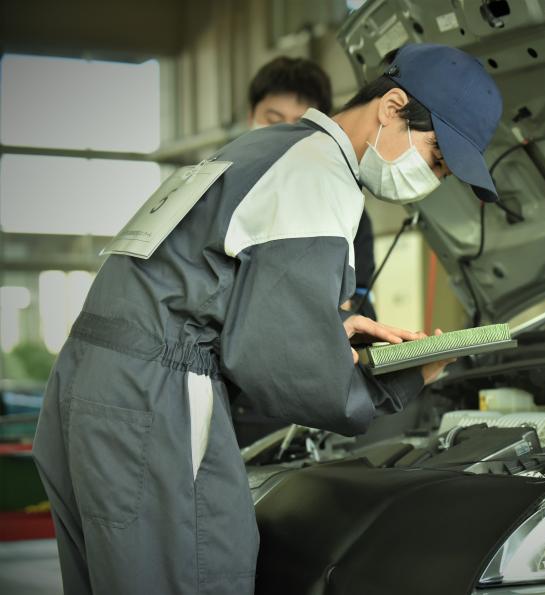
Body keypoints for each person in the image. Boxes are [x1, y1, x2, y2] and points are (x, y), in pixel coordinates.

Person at [32, 42, 502, 595]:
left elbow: (211, 286)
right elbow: (286, 365)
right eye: (437, 158)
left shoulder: (265, 147)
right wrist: (402, 379)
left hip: (91, 383)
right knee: (203, 568)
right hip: (153, 396)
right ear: (392, 106)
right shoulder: (320, 175)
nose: (434, 178)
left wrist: (327, 329)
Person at [247, 55, 379, 319]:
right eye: (273, 120)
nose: (284, 133)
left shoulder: (347, 211)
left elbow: (358, 302)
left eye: (299, 123)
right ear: (251, 115)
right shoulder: (222, 189)